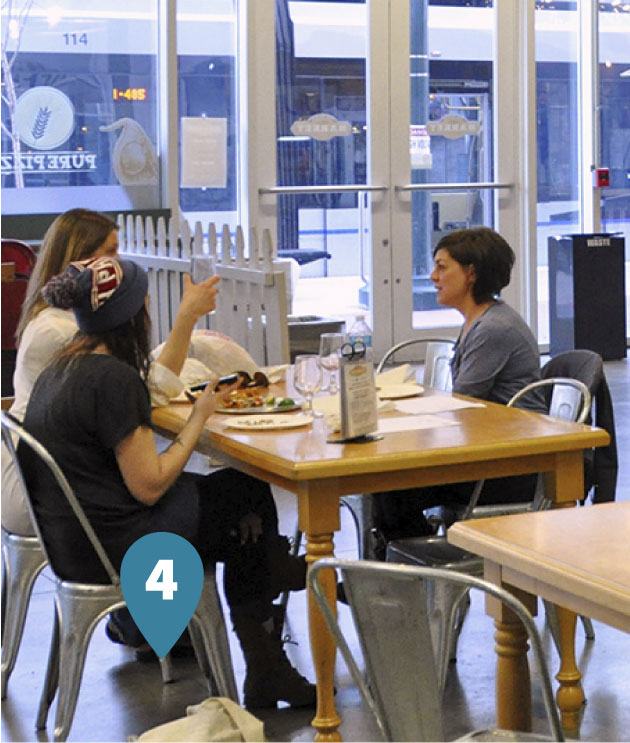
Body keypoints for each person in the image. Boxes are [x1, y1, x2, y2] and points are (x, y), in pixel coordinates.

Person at [18, 257, 313, 708]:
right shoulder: (112, 379)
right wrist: (200, 415)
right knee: (247, 495)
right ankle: (271, 647)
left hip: (74, 543)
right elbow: (149, 486)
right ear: (132, 316)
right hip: (124, 548)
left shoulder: (62, 368)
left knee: (237, 506)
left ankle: (279, 579)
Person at [373, 227, 542, 551]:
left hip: (510, 468)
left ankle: (409, 578)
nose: (433, 276)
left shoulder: (493, 329)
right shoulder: (479, 321)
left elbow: (462, 404)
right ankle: (397, 576)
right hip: (491, 452)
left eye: (442, 266)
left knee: (390, 486)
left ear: (471, 274)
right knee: (386, 487)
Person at [4, 209, 122, 535]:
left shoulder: (57, 315)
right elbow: (139, 390)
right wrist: (185, 319)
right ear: (80, 260)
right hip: (44, 488)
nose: (120, 262)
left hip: (41, 473)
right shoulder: (61, 330)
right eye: (111, 252)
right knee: (220, 498)